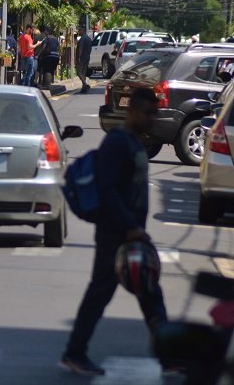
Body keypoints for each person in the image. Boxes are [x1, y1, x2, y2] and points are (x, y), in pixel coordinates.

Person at [60, 88, 169, 377]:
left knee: (150, 293)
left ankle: (170, 356)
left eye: (154, 113)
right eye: (147, 113)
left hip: (133, 234)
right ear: (132, 111)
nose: (152, 119)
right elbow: (107, 189)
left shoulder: (135, 142)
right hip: (116, 234)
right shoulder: (117, 143)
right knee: (101, 292)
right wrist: (129, 226)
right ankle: (74, 352)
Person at [75, 26, 92, 93]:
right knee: (83, 72)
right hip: (87, 57)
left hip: (82, 58)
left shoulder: (82, 39)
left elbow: (80, 48)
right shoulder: (88, 39)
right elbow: (90, 48)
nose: (79, 32)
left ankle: (85, 84)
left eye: (80, 30)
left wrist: (79, 56)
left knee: (79, 72)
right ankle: (84, 88)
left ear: (83, 31)